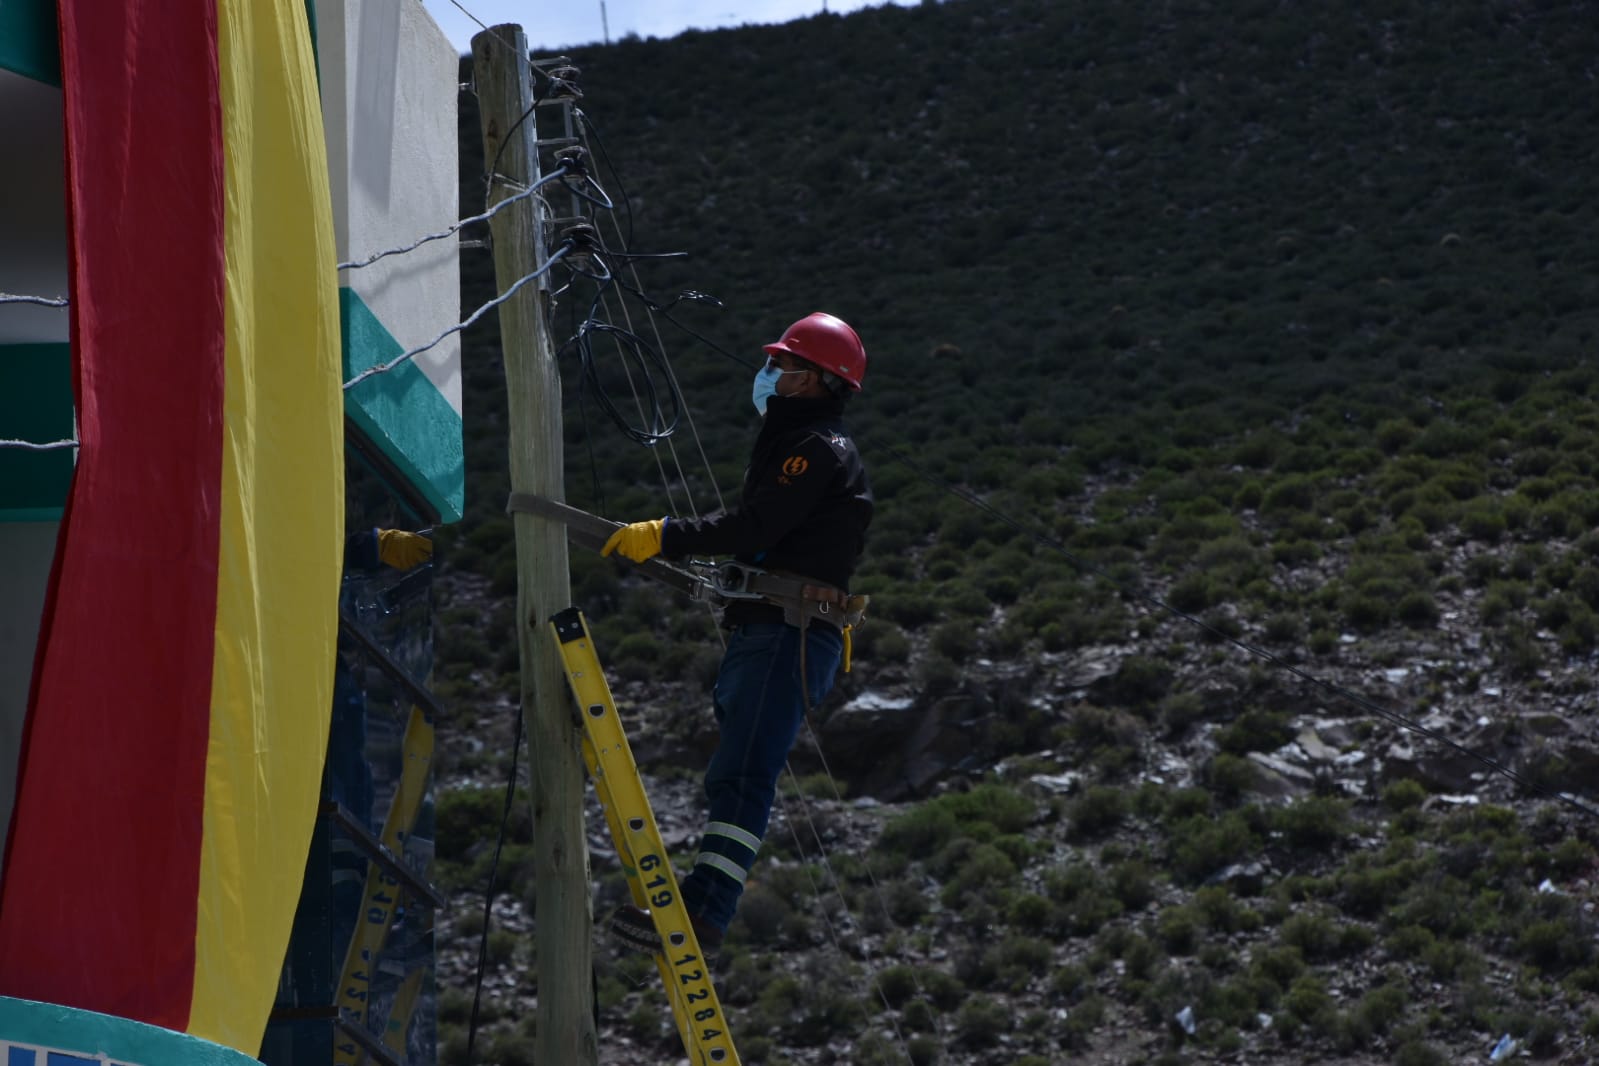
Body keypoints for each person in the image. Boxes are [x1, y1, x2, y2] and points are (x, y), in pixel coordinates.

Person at [600, 311, 873, 956]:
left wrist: (667, 534)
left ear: (810, 380)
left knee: (744, 776)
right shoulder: (798, 443)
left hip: (787, 632)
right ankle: (703, 908)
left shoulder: (814, 451)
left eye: (781, 365)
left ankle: (703, 914)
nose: (769, 374)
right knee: (736, 773)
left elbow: (754, 527)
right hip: (772, 628)